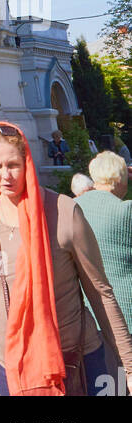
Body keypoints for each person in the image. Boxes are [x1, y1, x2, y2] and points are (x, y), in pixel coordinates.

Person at [0, 121, 132, 397]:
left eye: (13, 165)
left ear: (27, 161)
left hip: (75, 362)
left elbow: (100, 292)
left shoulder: (64, 212)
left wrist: (128, 365)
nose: (5, 175)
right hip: (14, 367)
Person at [77, 152, 132, 377]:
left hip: (85, 312)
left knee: (104, 382)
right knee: (123, 376)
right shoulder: (125, 211)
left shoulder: (72, 206)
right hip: (126, 312)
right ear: (120, 179)